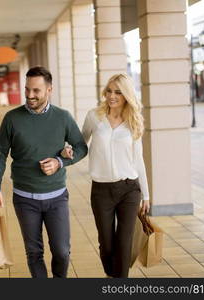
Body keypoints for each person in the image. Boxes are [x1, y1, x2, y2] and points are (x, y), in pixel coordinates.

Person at [0, 66, 88, 278]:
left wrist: (60, 162)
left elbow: (81, 148)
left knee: (62, 252)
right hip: (25, 199)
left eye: (36, 91)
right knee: (34, 253)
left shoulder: (63, 117)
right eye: (27, 89)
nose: (30, 95)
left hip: (57, 198)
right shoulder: (12, 119)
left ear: (49, 90)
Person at [62, 73, 150, 278]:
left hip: (129, 188)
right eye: (109, 91)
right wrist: (67, 151)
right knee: (107, 242)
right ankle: (112, 276)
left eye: (118, 92)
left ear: (126, 95)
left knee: (124, 241)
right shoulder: (95, 116)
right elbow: (80, 144)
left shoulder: (133, 121)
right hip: (101, 189)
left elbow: (139, 160)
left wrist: (146, 195)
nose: (112, 96)